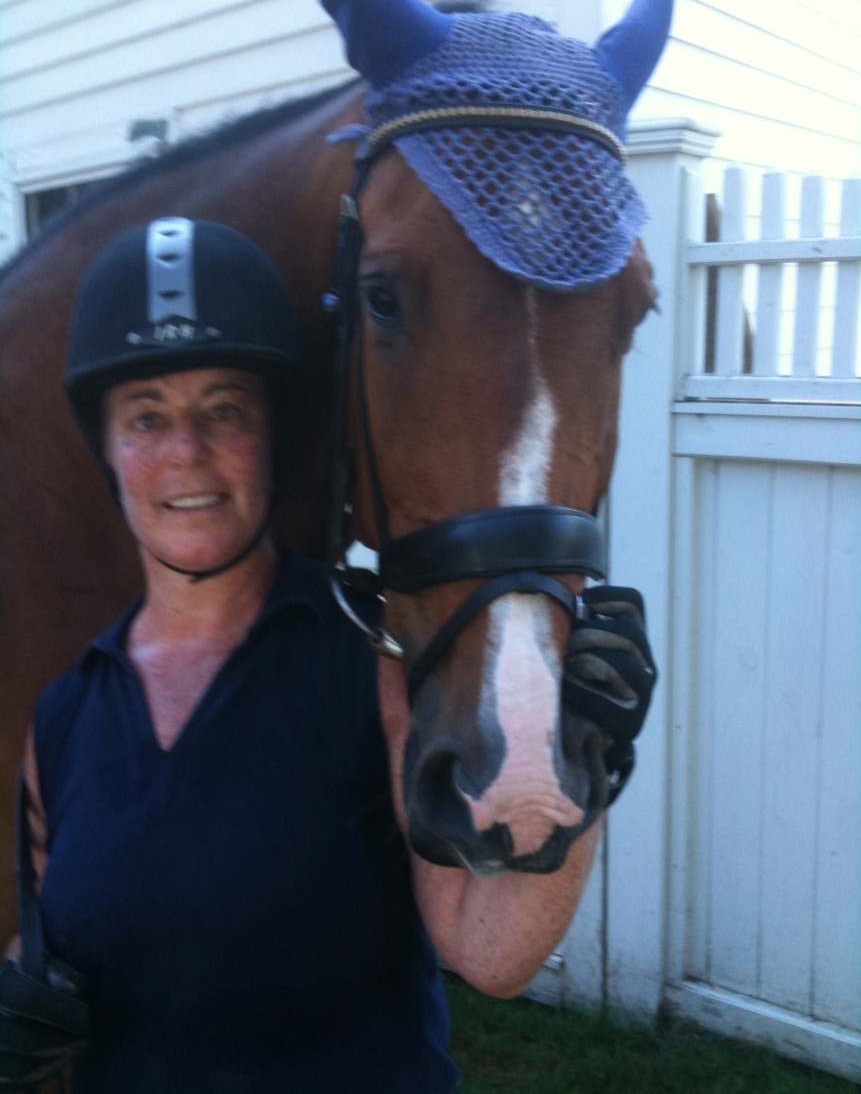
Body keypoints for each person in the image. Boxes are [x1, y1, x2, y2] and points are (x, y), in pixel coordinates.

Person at [15, 216, 652, 1093]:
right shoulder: (68, 709)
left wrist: (585, 754)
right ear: (108, 452)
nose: (185, 452)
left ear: (274, 434)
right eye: (146, 416)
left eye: (224, 408)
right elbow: (43, 931)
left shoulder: (371, 654)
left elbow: (491, 950)